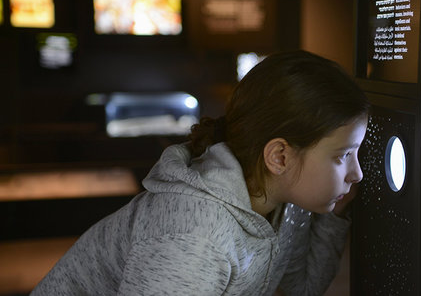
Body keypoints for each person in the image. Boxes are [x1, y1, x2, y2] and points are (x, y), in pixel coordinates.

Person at [31, 50, 370, 296]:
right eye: (343, 155)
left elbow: (304, 288)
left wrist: (333, 215)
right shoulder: (194, 235)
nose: (357, 173)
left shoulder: (283, 203)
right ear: (279, 157)